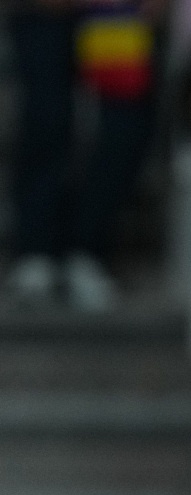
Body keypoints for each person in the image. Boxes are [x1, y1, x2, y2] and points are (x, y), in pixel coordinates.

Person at [6, 0, 161, 311]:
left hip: (117, 10)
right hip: (41, 10)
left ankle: (90, 249)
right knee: (45, 120)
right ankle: (36, 249)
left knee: (123, 126)